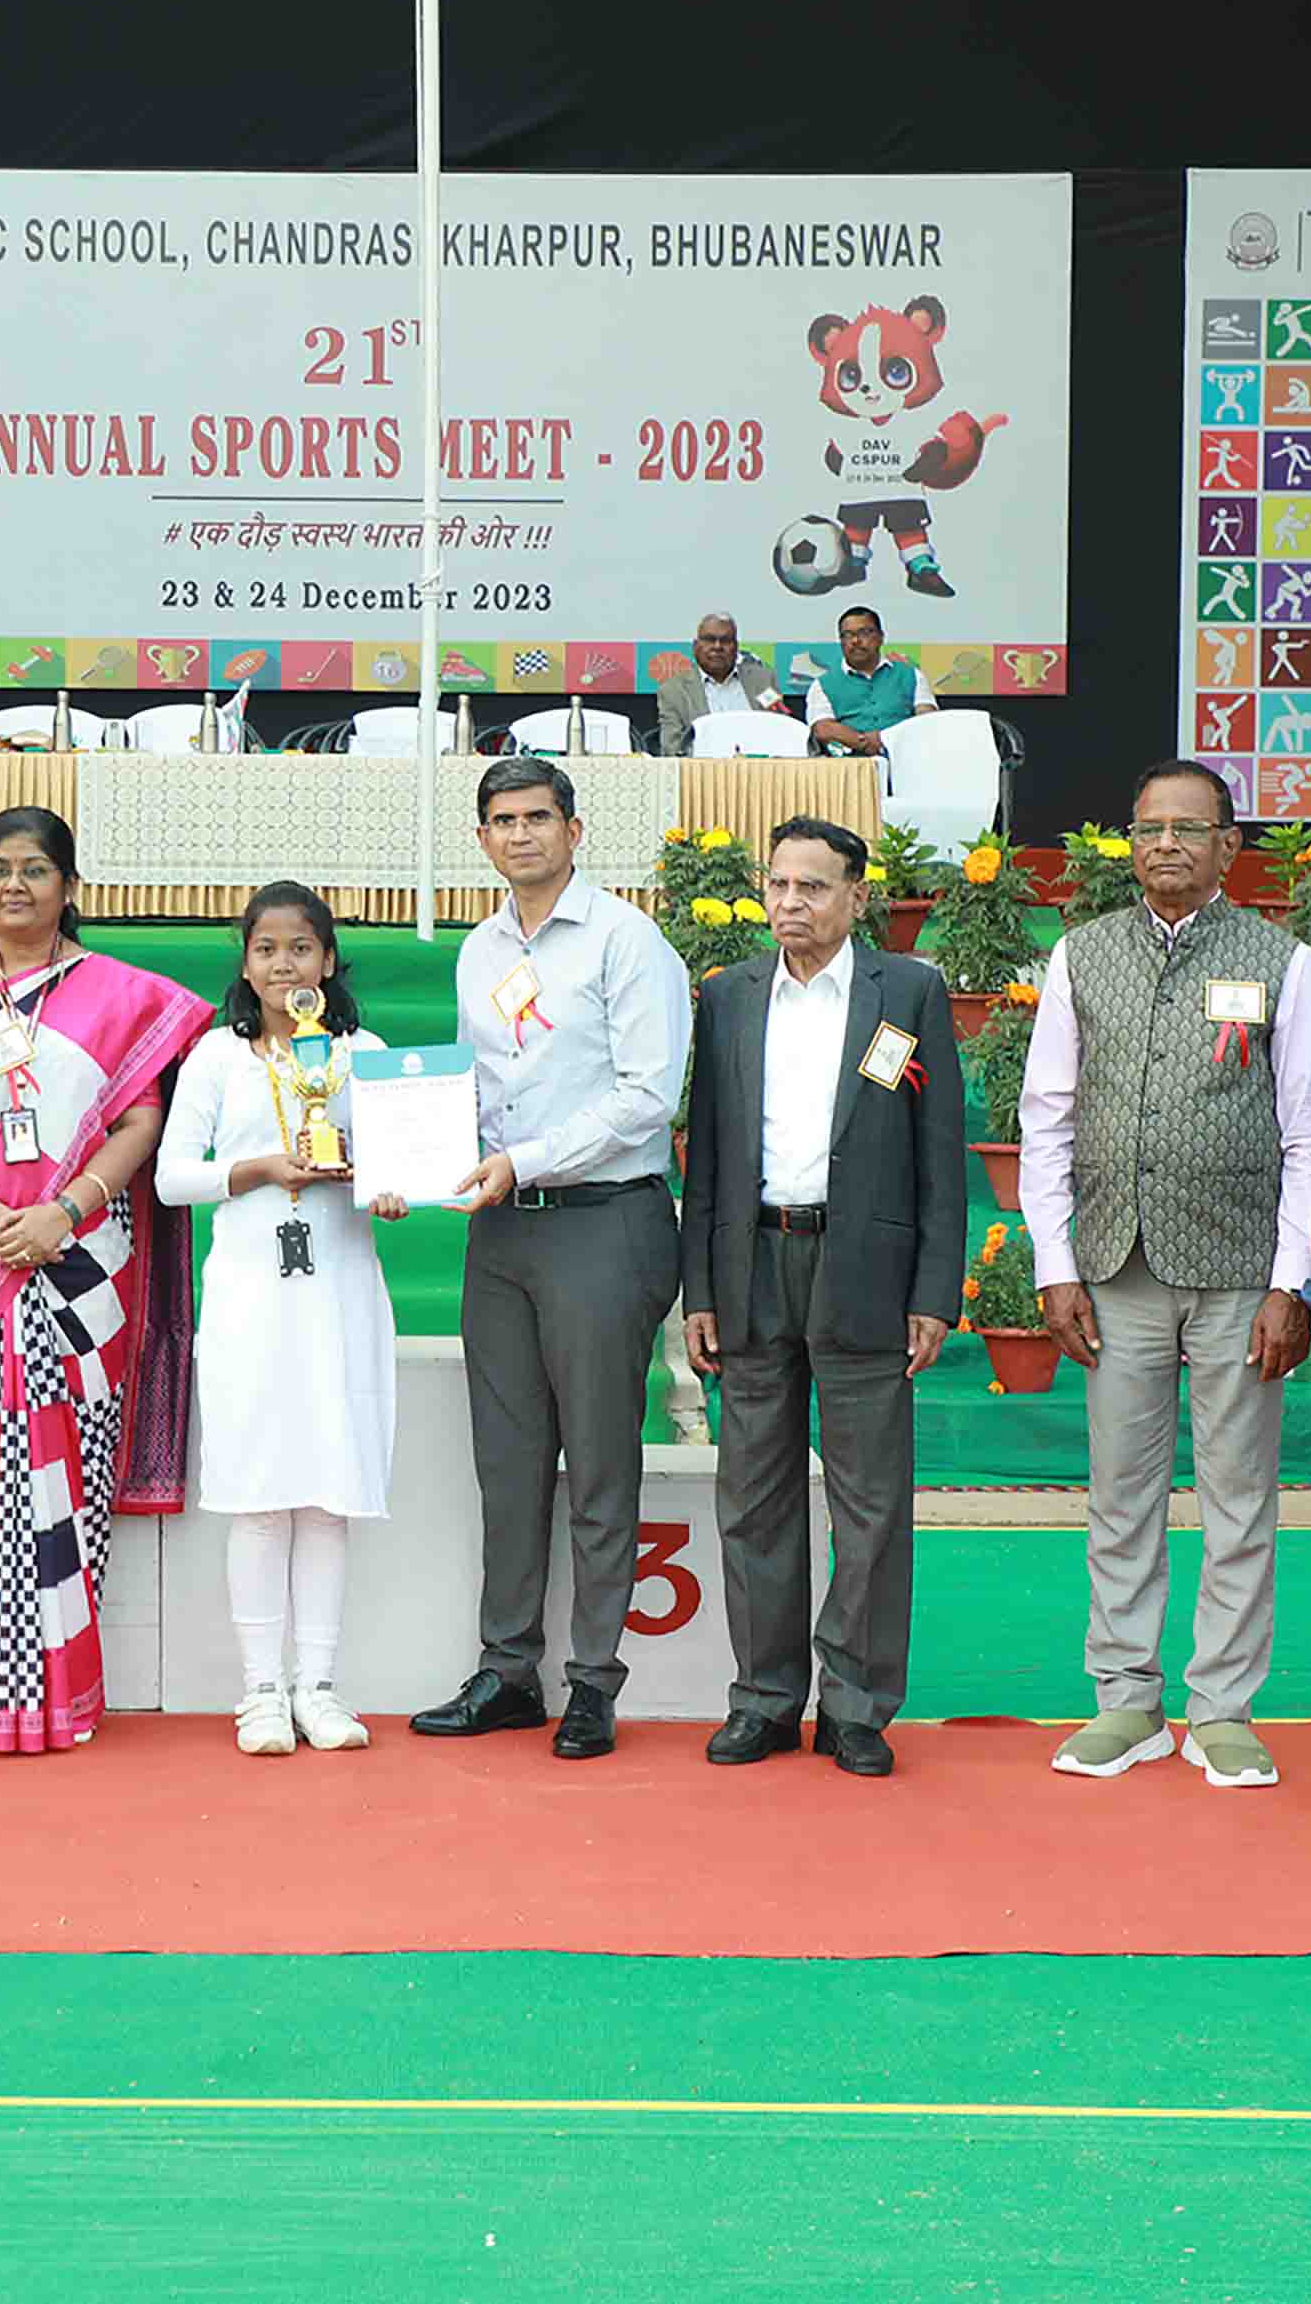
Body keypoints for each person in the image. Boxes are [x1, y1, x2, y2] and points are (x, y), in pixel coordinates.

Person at [1020, 757, 1311, 1790]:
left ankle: (1224, 1709)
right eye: (1149, 827)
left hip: (1240, 1272)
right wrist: (1055, 1261)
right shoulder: (1081, 954)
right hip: (1117, 1265)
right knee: (1122, 1495)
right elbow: (1046, 1117)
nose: (1165, 844)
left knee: (1238, 1497)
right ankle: (1126, 1700)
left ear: (1228, 847)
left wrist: (1291, 1280)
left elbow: (1310, 1132)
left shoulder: (1281, 960)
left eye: (1188, 829)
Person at [0, 805, 211, 1753]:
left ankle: (51, 1691)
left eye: (34, 869)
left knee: (60, 1457)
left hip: (78, 1258)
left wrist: (65, 1210)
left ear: (69, 887)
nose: (13, 886)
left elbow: (141, 1122)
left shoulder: (118, 994)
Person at [412, 757, 691, 1760]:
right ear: (481, 838)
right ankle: (508, 1669)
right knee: (509, 1456)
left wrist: (520, 1159)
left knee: (600, 1458)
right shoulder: (479, 948)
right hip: (504, 1230)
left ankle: (593, 1680)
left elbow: (647, 1096)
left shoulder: (626, 939)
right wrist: (409, 1157)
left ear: (575, 831)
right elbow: (473, 1084)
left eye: (538, 817)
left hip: (602, 1219)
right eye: (502, 820)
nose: (520, 834)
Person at [679, 816, 968, 1778]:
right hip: (753, 1263)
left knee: (870, 1505)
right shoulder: (729, 996)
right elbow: (706, 1152)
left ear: (857, 896)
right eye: (779, 884)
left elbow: (940, 1152)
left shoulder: (907, 993)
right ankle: (764, 1699)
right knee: (752, 1499)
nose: (790, 903)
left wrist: (934, 1291)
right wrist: (699, 1287)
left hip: (867, 1272)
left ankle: (855, 1706)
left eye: (812, 886)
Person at [156, 882, 411, 1756]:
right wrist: (262, 1168)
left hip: (339, 1292)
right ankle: (260, 1690)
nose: (284, 965)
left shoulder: (363, 1054)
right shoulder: (216, 1058)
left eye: (301, 948)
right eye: (266, 949)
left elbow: (401, 1161)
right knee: (260, 1495)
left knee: (330, 1494)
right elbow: (171, 1178)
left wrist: (387, 1184)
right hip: (251, 1296)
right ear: (245, 962)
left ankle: (320, 1687)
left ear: (329, 961)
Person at [803, 605, 935, 758]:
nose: (855, 641)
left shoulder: (911, 675)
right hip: (851, 765)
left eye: (864, 633)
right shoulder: (823, 685)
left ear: (881, 637)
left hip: (906, 759)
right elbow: (823, 729)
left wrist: (889, 741)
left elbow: (927, 721)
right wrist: (865, 742)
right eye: (847, 635)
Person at [655, 612, 787, 750]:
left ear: (736, 647)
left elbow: (783, 729)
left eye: (725, 640)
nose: (717, 647)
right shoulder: (673, 691)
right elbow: (672, 747)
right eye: (709, 640)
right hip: (705, 763)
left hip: (760, 761)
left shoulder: (763, 681)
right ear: (695, 647)